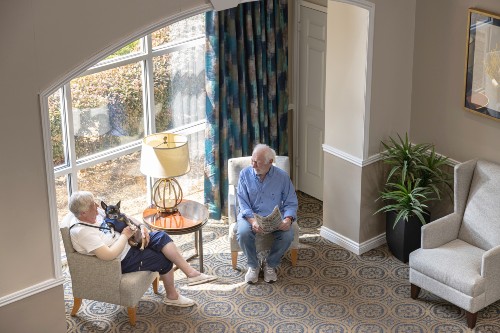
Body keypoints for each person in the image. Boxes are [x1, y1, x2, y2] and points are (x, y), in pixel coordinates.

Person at [67, 191, 217, 307]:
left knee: (161, 237)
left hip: (131, 240)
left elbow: (124, 216)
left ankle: (192, 274)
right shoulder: (82, 232)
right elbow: (109, 255)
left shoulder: (96, 213)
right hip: (123, 259)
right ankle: (172, 297)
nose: (97, 207)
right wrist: (125, 236)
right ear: (83, 213)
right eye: (93, 205)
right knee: (163, 259)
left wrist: (142, 227)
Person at [236, 144, 298, 284]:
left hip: (274, 217)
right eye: (252, 160)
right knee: (243, 232)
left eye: (257, 162)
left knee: (288, 235)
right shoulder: (244, 175)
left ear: (270, 162)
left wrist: (288, 219)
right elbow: (242, 202)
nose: (253, 165)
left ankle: (271, 264)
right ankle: (254, 265)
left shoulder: (282, 177)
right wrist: (252, 221)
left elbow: (291, 201)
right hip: (250, 216)